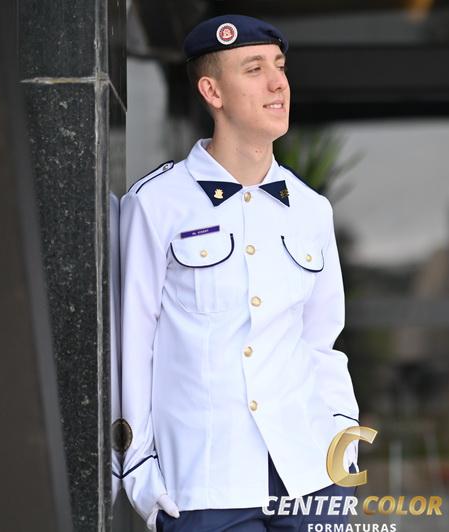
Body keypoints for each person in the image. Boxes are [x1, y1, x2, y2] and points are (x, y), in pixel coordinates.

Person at [118, 13, 361, 532]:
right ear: (212, 91)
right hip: (206, 483)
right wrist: (136, 467)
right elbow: (131, 346)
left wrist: (343, 441)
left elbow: (322, 344)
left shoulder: (311, 210)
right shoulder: (156, 204)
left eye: (280, 67)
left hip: (312, 475)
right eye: (254, 69)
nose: (278, 83)